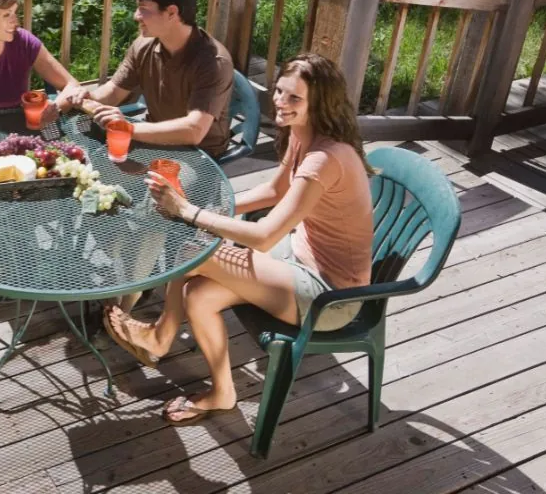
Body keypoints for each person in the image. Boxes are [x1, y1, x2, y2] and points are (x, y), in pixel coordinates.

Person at [102, 53, 375, 425]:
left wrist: (188, 211)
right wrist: (206, 206)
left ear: (319, 103)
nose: (280, 102)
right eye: (279, 91)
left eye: (294, 98)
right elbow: (272, 190)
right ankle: (222, 393)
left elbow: (263, 236)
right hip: (297, 256)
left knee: (191, 248)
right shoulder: (304, 135)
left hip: (331, 296)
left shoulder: (324, 158)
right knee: (197, 295)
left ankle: (160, 338)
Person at [70, 0, 234, 157]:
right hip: (153, 136)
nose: (136, 16)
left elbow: (194, 130)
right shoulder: (144, 44)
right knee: (84, 155)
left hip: (200, 153)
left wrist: (129, 129)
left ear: (172, 12)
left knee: (151, 184)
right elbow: (114, 91)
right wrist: (88, 96)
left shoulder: (212, 62)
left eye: (144, 10)